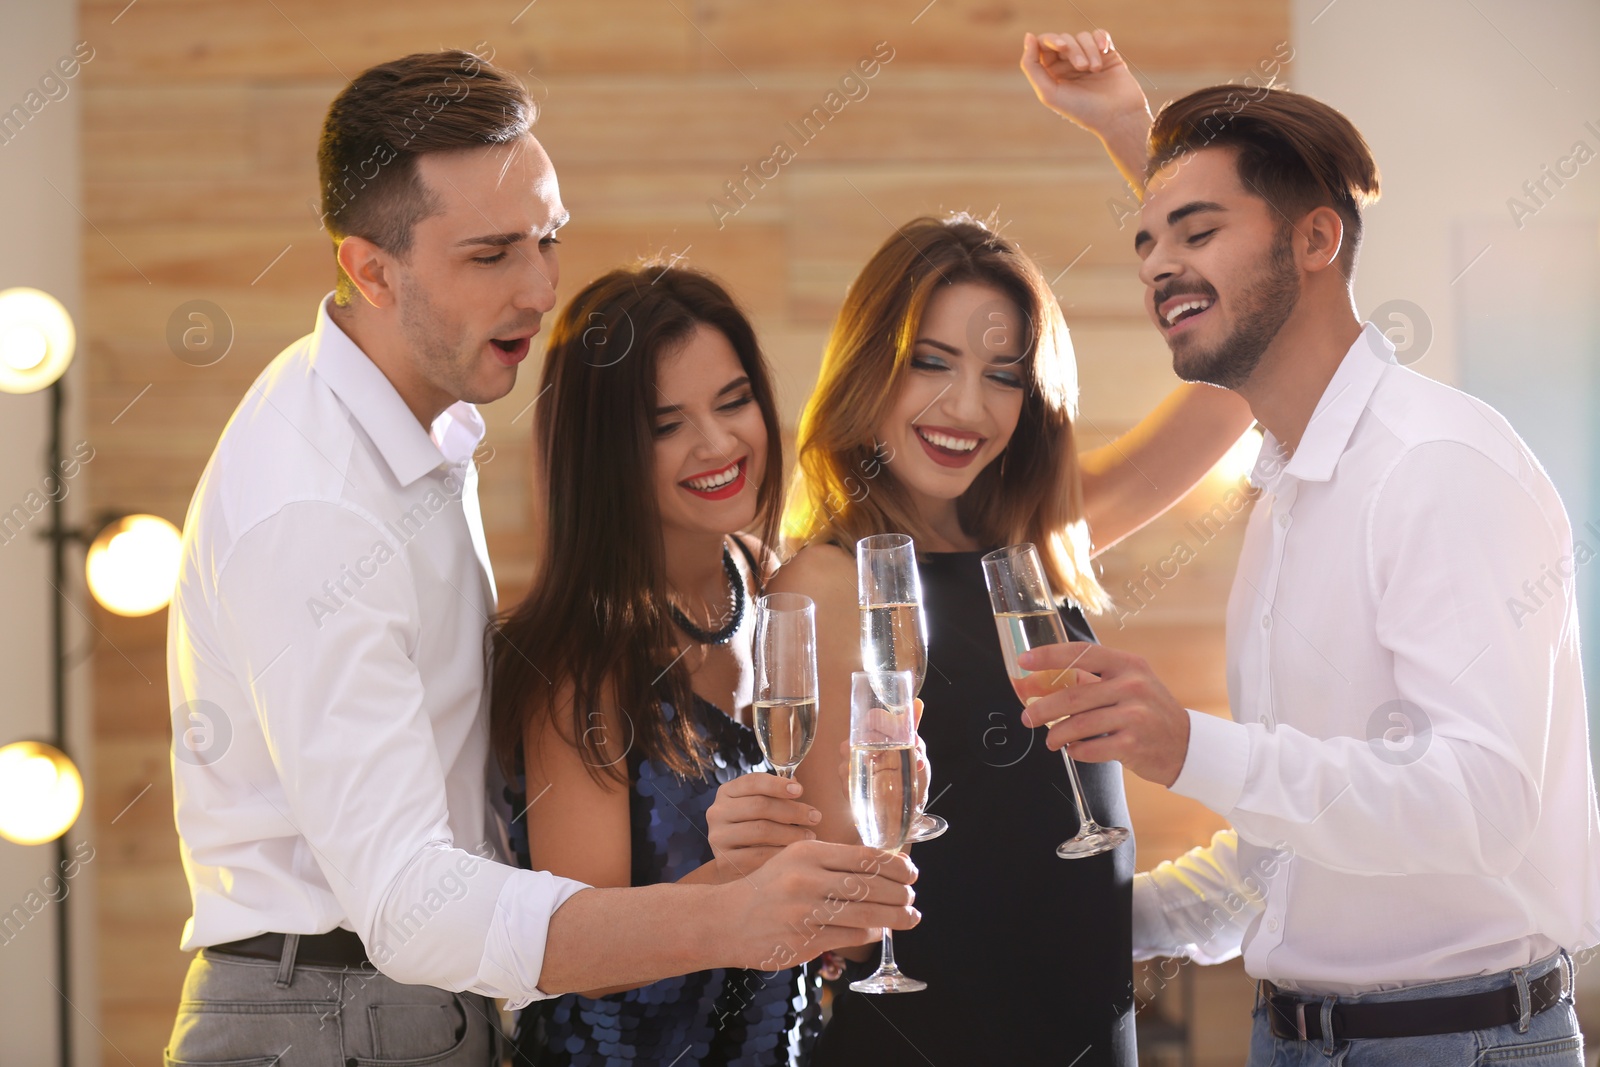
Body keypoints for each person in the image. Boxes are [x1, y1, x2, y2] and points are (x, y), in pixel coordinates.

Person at [163, 50, 917, 1065]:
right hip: (331, 1017)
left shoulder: (426, 424)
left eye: (547, 239)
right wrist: (739, 913)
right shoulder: (317, 508)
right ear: (370, 270)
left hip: (410, 1009)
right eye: (489, 255)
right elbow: (412, 907)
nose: (539, 288)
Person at [1015, 28, 1600, 1065]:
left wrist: (1191, 745)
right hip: (1298, 1039)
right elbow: (1290, 857)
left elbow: (1481, 802)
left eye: (1194, 231)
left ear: (1316, 240)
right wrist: (1086, 916)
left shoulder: (1434, 464)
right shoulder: (1289, 494)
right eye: (1145, 242)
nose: (1158, 266)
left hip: (1454, 1043)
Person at [770, 211, 1255, 1066]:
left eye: (1003, 375)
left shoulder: (1034, 547)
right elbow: (842, 880)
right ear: (868, 363)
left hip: (1083, 1026)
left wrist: (1145, 160)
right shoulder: (826, 582)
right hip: (931, 1036)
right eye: (931, 362)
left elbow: (1239, 373)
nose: (968, 407)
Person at [487, 264, 856, 1064]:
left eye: (734, 401)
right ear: (605, 452)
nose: (719, 444)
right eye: (666, 424)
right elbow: (579, 952)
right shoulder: (579, 656)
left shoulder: (778, 586)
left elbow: (835, 915)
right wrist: (749, 878)